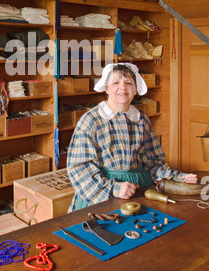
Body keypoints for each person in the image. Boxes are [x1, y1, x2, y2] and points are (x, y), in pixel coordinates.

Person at [67, 62, 197, 212]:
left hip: (139, 189)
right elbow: (79, 168)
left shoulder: (141, 119)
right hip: (102, 195)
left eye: (128, 83)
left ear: (135, 89)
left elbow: (152, 163)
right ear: (106, 88)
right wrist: (114, 189)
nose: (122, 87)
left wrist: (178, 178)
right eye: (115, 82)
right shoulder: (91, 120)